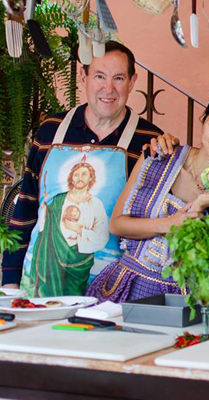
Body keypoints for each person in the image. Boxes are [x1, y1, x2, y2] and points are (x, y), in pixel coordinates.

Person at [0, 41, 178, 296]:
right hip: (39, 286)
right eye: (99, 76)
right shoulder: (51, 130)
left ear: (132, 81)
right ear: (83, 77)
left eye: (118, 78)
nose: (109, 88)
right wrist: (9, 280)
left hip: (114, 293)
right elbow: (26, 207)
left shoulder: (149, 141)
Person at [86, 86, 209, 302]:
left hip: (184, 304)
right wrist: (166, 224)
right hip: (126, 290)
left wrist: (202, 214)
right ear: (203, 120)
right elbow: (117, 225)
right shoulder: (159, 155)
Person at [29, 157, 109, 296]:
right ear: (71, 178)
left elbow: (102, 235)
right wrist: (45, 207)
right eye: (76, 174)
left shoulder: (96, 203)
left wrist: (78, 229)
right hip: (52, 255)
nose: (79, 178)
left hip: (80, 259)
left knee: (77, 298)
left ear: (91, 178)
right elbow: (43, 226)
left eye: (84, 174)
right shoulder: (58, 199)